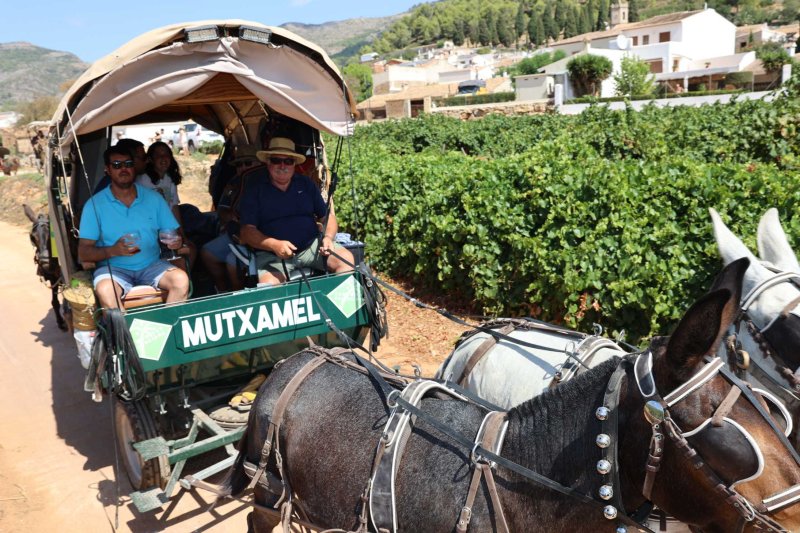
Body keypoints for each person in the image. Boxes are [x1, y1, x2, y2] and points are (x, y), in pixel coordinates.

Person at [78, 145, 189, 309]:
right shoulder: (94, 205)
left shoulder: (153, 199)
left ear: (134, 168)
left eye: (128, 164)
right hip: (113, 270)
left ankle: (167, 330)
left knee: (180, 281)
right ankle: (126, 334)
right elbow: (83, 252)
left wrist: (177, 242)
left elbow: (173, 234)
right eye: (116, 165)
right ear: (107, 170)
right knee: (106, 291)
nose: (123, 169)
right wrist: (113, 250)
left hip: (151, 265)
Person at [239, 137, 354, 286]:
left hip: (311, 247)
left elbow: (327, 217)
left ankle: (338, 307)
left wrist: (328, 238)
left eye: (288, 161)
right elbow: (247, 231)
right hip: (272, 256)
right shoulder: (255, 190)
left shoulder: (306, 184)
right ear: (267, 162)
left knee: (346, 260)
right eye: (276, 160)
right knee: (268, 286)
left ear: (294, 164)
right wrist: (274, 245)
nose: (282, 165)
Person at [200, 144, 262, 291]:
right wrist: (229, 216)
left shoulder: (265, 182)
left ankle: (239, 296)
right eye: (239, 165)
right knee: (207, 253)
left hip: (257, 235)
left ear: (259, 163)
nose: (243, 168)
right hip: (236, 231)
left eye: (248, 163)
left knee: (231, 261)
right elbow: (221, 208)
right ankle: (223, 292)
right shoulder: (234, 182)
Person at [137, 141, 196, 266]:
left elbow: (174, 208)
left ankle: (184, 279)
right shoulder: (142, 180)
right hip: (152, 233)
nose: (163, 158)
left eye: (166, 155)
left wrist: (182, 234)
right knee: (173, 260)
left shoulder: (169, 179)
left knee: (191, 249)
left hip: (168, 231)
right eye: (158, 155)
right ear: (151, 159)